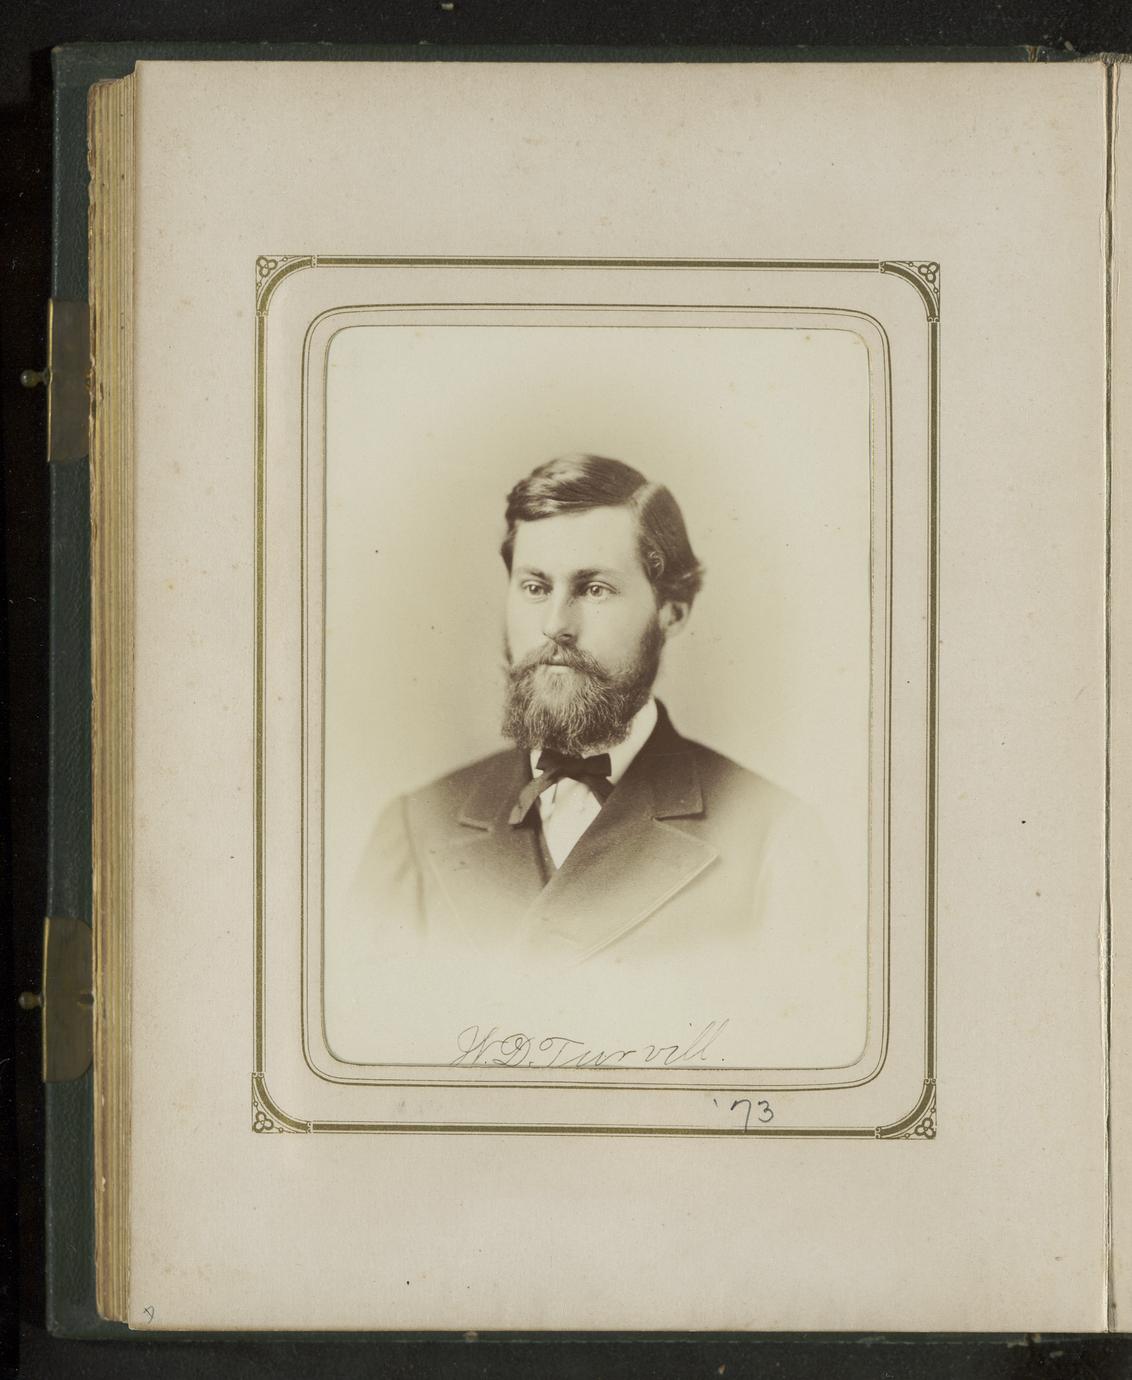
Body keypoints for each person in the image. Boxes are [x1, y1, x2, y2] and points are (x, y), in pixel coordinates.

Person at [349, 452, 864, 1066]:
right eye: (535, 587)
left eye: (594, 589)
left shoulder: (773, 836)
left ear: (671, 612)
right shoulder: (414, 829)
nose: (555, 625)